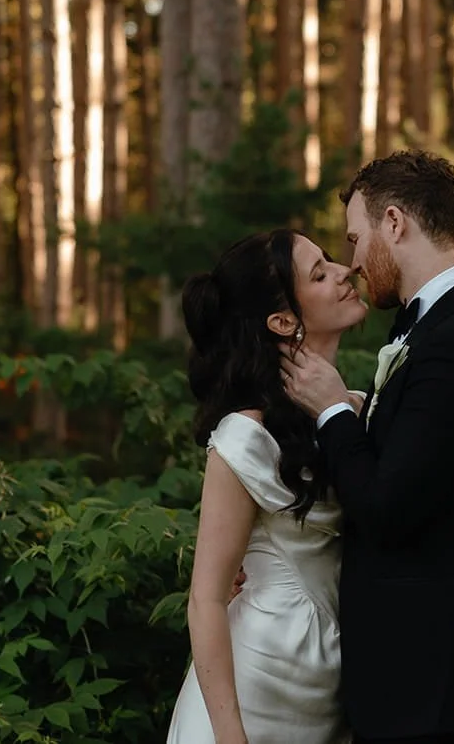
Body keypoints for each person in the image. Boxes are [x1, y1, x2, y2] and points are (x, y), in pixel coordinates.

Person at [280, 150, 454, 744]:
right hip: (416, 675)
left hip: (441, 679)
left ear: (394, 223)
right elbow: (416, 470)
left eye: (354, 238)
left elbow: (387, 509)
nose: (352, 263)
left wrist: (334, 412)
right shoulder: (427, 330)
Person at [166, 229, 369, 744]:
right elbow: (206, 600)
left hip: (326, 687)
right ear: (282, 321)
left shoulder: (356, 414)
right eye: (320, 273)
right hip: (255, 688)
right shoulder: (246, 437)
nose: (345, 271)